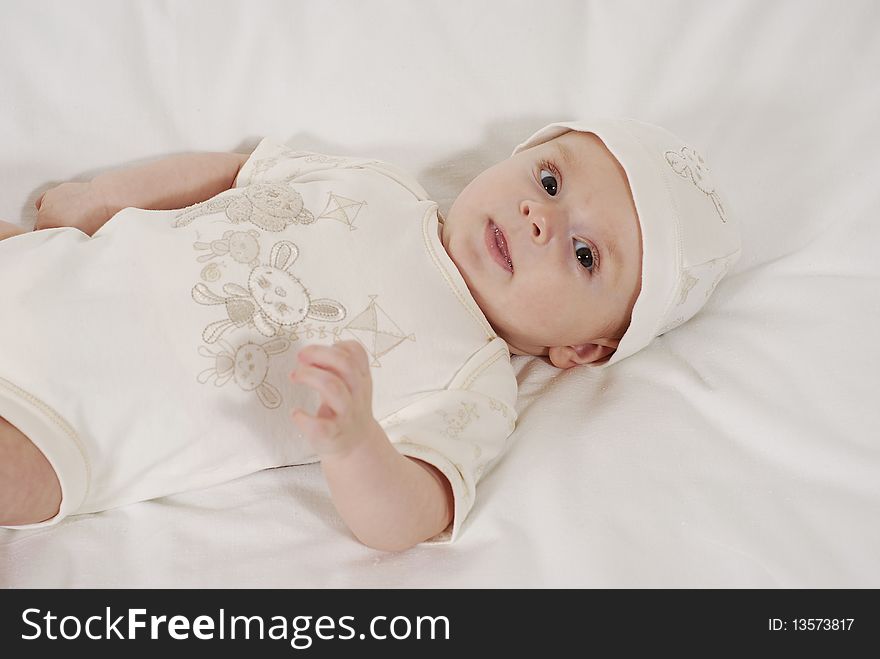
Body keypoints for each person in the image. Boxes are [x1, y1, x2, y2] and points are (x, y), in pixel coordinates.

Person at [0, 119, 741, 551]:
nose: (539, 218)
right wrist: (98, 199)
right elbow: (234, 173)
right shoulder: (374, 185)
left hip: (72, 424)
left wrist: (356, 443)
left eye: (584, 255)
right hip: (46, 270)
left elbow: (410, 516)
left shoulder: (474, 380)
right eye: (550, 180)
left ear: (581, 351)